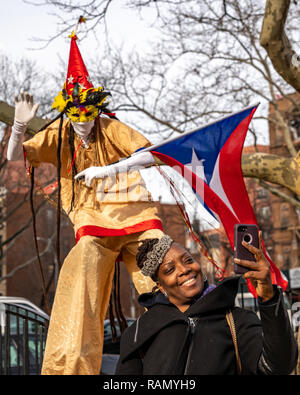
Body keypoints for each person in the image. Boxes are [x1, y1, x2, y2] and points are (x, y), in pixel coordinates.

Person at [6, 31, 165, 375]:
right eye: (74, 115)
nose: (82, 122)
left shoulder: (112, 128)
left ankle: (189, 358)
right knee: (78, 294)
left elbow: (153, 154)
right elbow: (15, 157)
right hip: (93, 224)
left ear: (97, 109)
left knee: (166, 280)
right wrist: (18, 127)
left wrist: (109, 168)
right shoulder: (60, 134)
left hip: (138, 216)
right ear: (66, 112)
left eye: (87, 114)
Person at [115, 234, 298, 375]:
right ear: (160, 286)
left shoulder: (237, 321)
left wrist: (268, 297)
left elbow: (278, 367)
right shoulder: (139, 332)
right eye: (170, 269)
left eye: (188, 260)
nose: (185, 269)